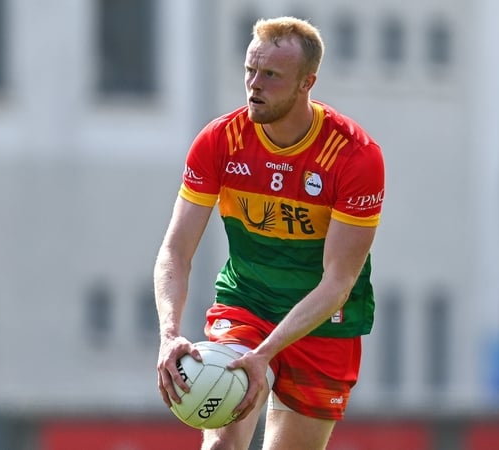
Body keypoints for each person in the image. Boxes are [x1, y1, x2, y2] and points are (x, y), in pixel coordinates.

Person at [154, 16, 385, 450]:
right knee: (222, 445)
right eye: (250, 71)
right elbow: (175, 250)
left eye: (271, 75)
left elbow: (338, 282)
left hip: (323, 321)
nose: (254, 85)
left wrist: (266, 354)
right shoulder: (220, 140)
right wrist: (169, 334)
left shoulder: (355, 157)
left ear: (306, 82)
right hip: (248, 305)